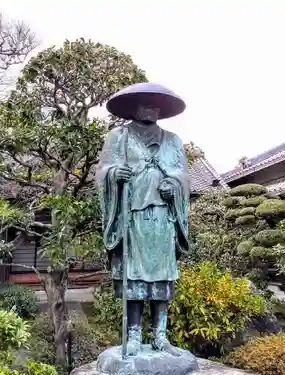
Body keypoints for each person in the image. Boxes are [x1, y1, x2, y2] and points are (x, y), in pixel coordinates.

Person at [96, 82, 190, 357]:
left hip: (163, 216)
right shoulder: (119, 137)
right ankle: (134, 334)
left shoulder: (173, 141)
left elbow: (183, 175)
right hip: (132, 215)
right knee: (133, 276)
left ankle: (161, 335)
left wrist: (175, 185)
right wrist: (114, 175)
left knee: (163, 275)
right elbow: (103, 171)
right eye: (144, 103)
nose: (149, 109)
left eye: (154, 104)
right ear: (133, 107)